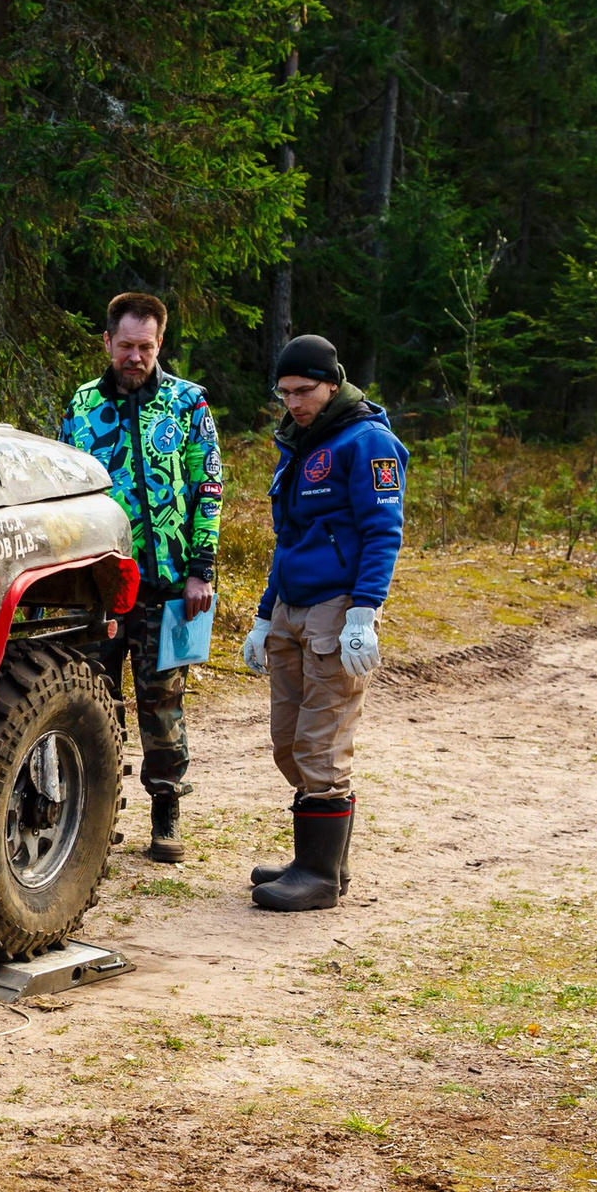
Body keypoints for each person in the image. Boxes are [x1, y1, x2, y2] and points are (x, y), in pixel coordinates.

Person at [241, 334, 407, 912]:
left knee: (321, 743)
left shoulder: (369, 442)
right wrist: (265, 616)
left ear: (332, 382)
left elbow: (383, 532)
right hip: (291, 604)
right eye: (284, 393)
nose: (293, 402)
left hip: (338, 606)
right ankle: (321, 859)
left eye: (303, 391)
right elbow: (290, 539)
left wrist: (365, 611)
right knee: (287, 742)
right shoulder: (301, 442)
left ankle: (319, 875)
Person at [58, 292, 223, 863]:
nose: (135, 357)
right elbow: (64, 491)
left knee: (162, 703)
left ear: (160, 345)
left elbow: (209, 490)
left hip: (169, 586)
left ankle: (166, 814)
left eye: (146, 347)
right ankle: (95, 820)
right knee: (91, 703)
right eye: (125, 346)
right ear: (107, 342)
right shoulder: (80, 405)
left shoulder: (188, 404)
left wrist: (202, 570)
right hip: (98, 588)